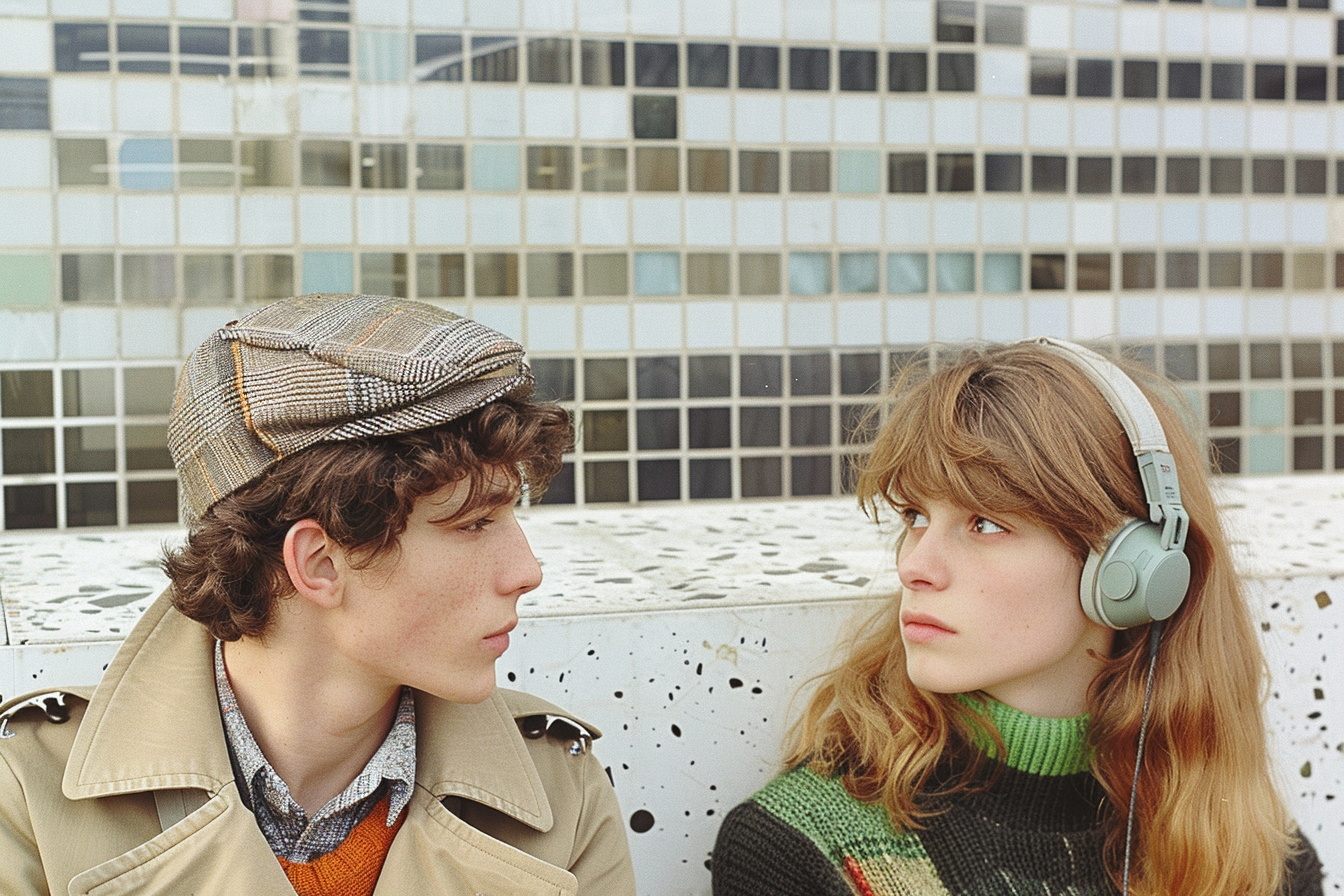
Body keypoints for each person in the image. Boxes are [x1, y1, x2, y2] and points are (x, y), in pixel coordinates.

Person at [0, 293, 636, 896]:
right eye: (473, 524)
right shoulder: (26, 795)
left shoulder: (561, 787)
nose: (526, 570)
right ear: (320, 562)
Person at [711, 338, 1323, 896]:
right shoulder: (804, 850)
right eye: (915, 517)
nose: (916, 567)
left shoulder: (1253, 855)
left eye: (985, 524)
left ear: (1129, 567)